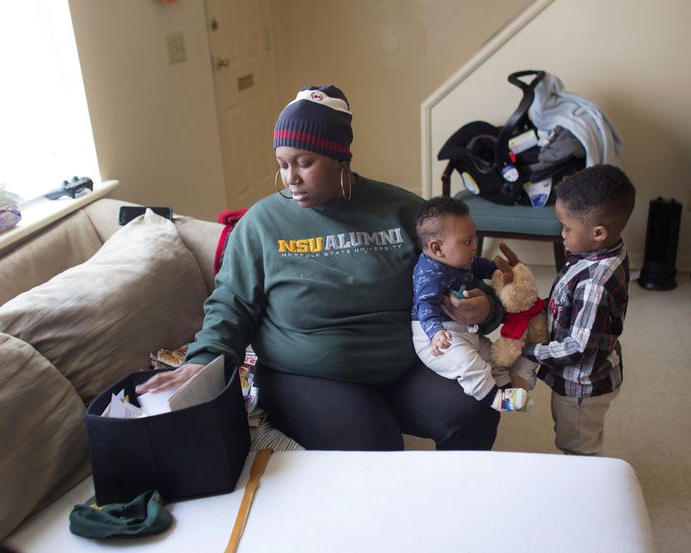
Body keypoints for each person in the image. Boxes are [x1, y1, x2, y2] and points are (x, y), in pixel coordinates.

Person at [136, 84, 505, 450]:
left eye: (304, 162)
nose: (290, 177)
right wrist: (202, 362)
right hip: (308, 374)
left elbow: (466, 272)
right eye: (282, 164)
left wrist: (485, 307)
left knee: (476, 409)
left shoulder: (403, 210)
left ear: (340, 158)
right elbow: (232, 303)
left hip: (405, 363)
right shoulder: (262, 223)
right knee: (374, 444)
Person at [522, 164, 635, 456]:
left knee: (578, 448)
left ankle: (586, 490)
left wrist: (531, 351)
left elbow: (578, 348)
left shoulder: (596, 282)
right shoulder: (597, 251)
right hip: (580, 378)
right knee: (570, 432)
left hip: (583, 387)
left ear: (598, 232)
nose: (561, 234)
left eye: (567, 227)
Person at [411, 196, 528, 412]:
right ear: (437, 248)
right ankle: (495, 399)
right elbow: (425, 306)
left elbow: (480, 267)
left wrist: (498, 269)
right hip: (438, 340)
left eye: (475, 239)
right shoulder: (430, 273)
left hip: (465, 332)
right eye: (467, 242)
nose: (474, 247)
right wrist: (435, 333)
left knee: (491, 354)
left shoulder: (460, 259)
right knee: (469, 364)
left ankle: (506, 387)